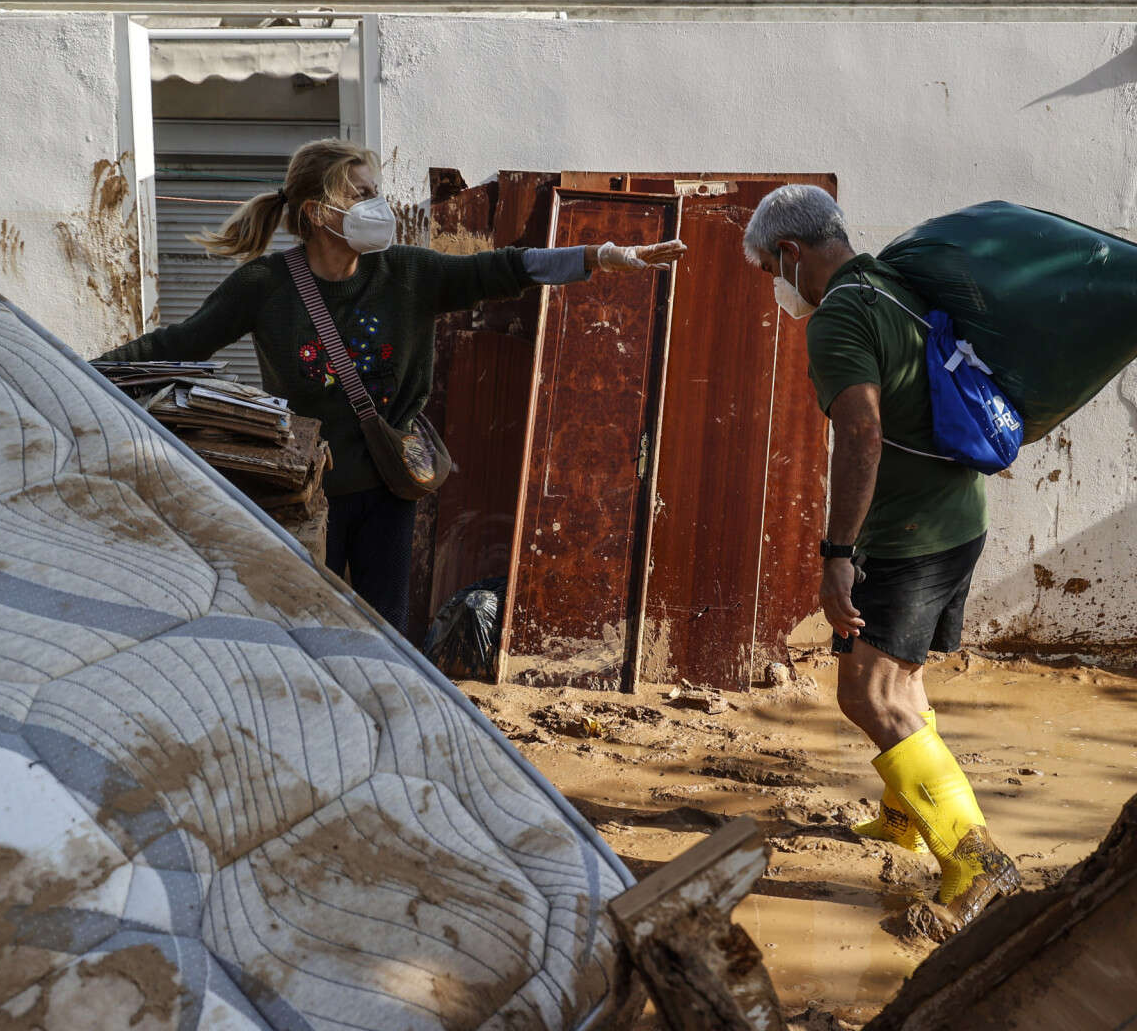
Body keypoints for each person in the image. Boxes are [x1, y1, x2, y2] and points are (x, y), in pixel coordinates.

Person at [99, 139, 684, 632]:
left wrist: (605, 256)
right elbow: (181, 344)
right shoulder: (266, 285)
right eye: (360, 194)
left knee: (386, 633)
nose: (376, 205)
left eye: (375, 191)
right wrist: (89, 372)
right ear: (315, 211)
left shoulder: (407, 273)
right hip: (305, 493)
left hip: (389, 488)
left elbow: (504, 269)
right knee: (301, 628)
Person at [743, 185, 1019, 930]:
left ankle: (974, 858)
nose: (776, 284)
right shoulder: (890, 285)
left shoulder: (839, 314)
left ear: (792, 253)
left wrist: (838, 554)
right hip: (959, 517)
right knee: (905, 680)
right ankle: (905, 817)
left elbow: (860, 434)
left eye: (771, 267)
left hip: (908, 535)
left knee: (866, 694)